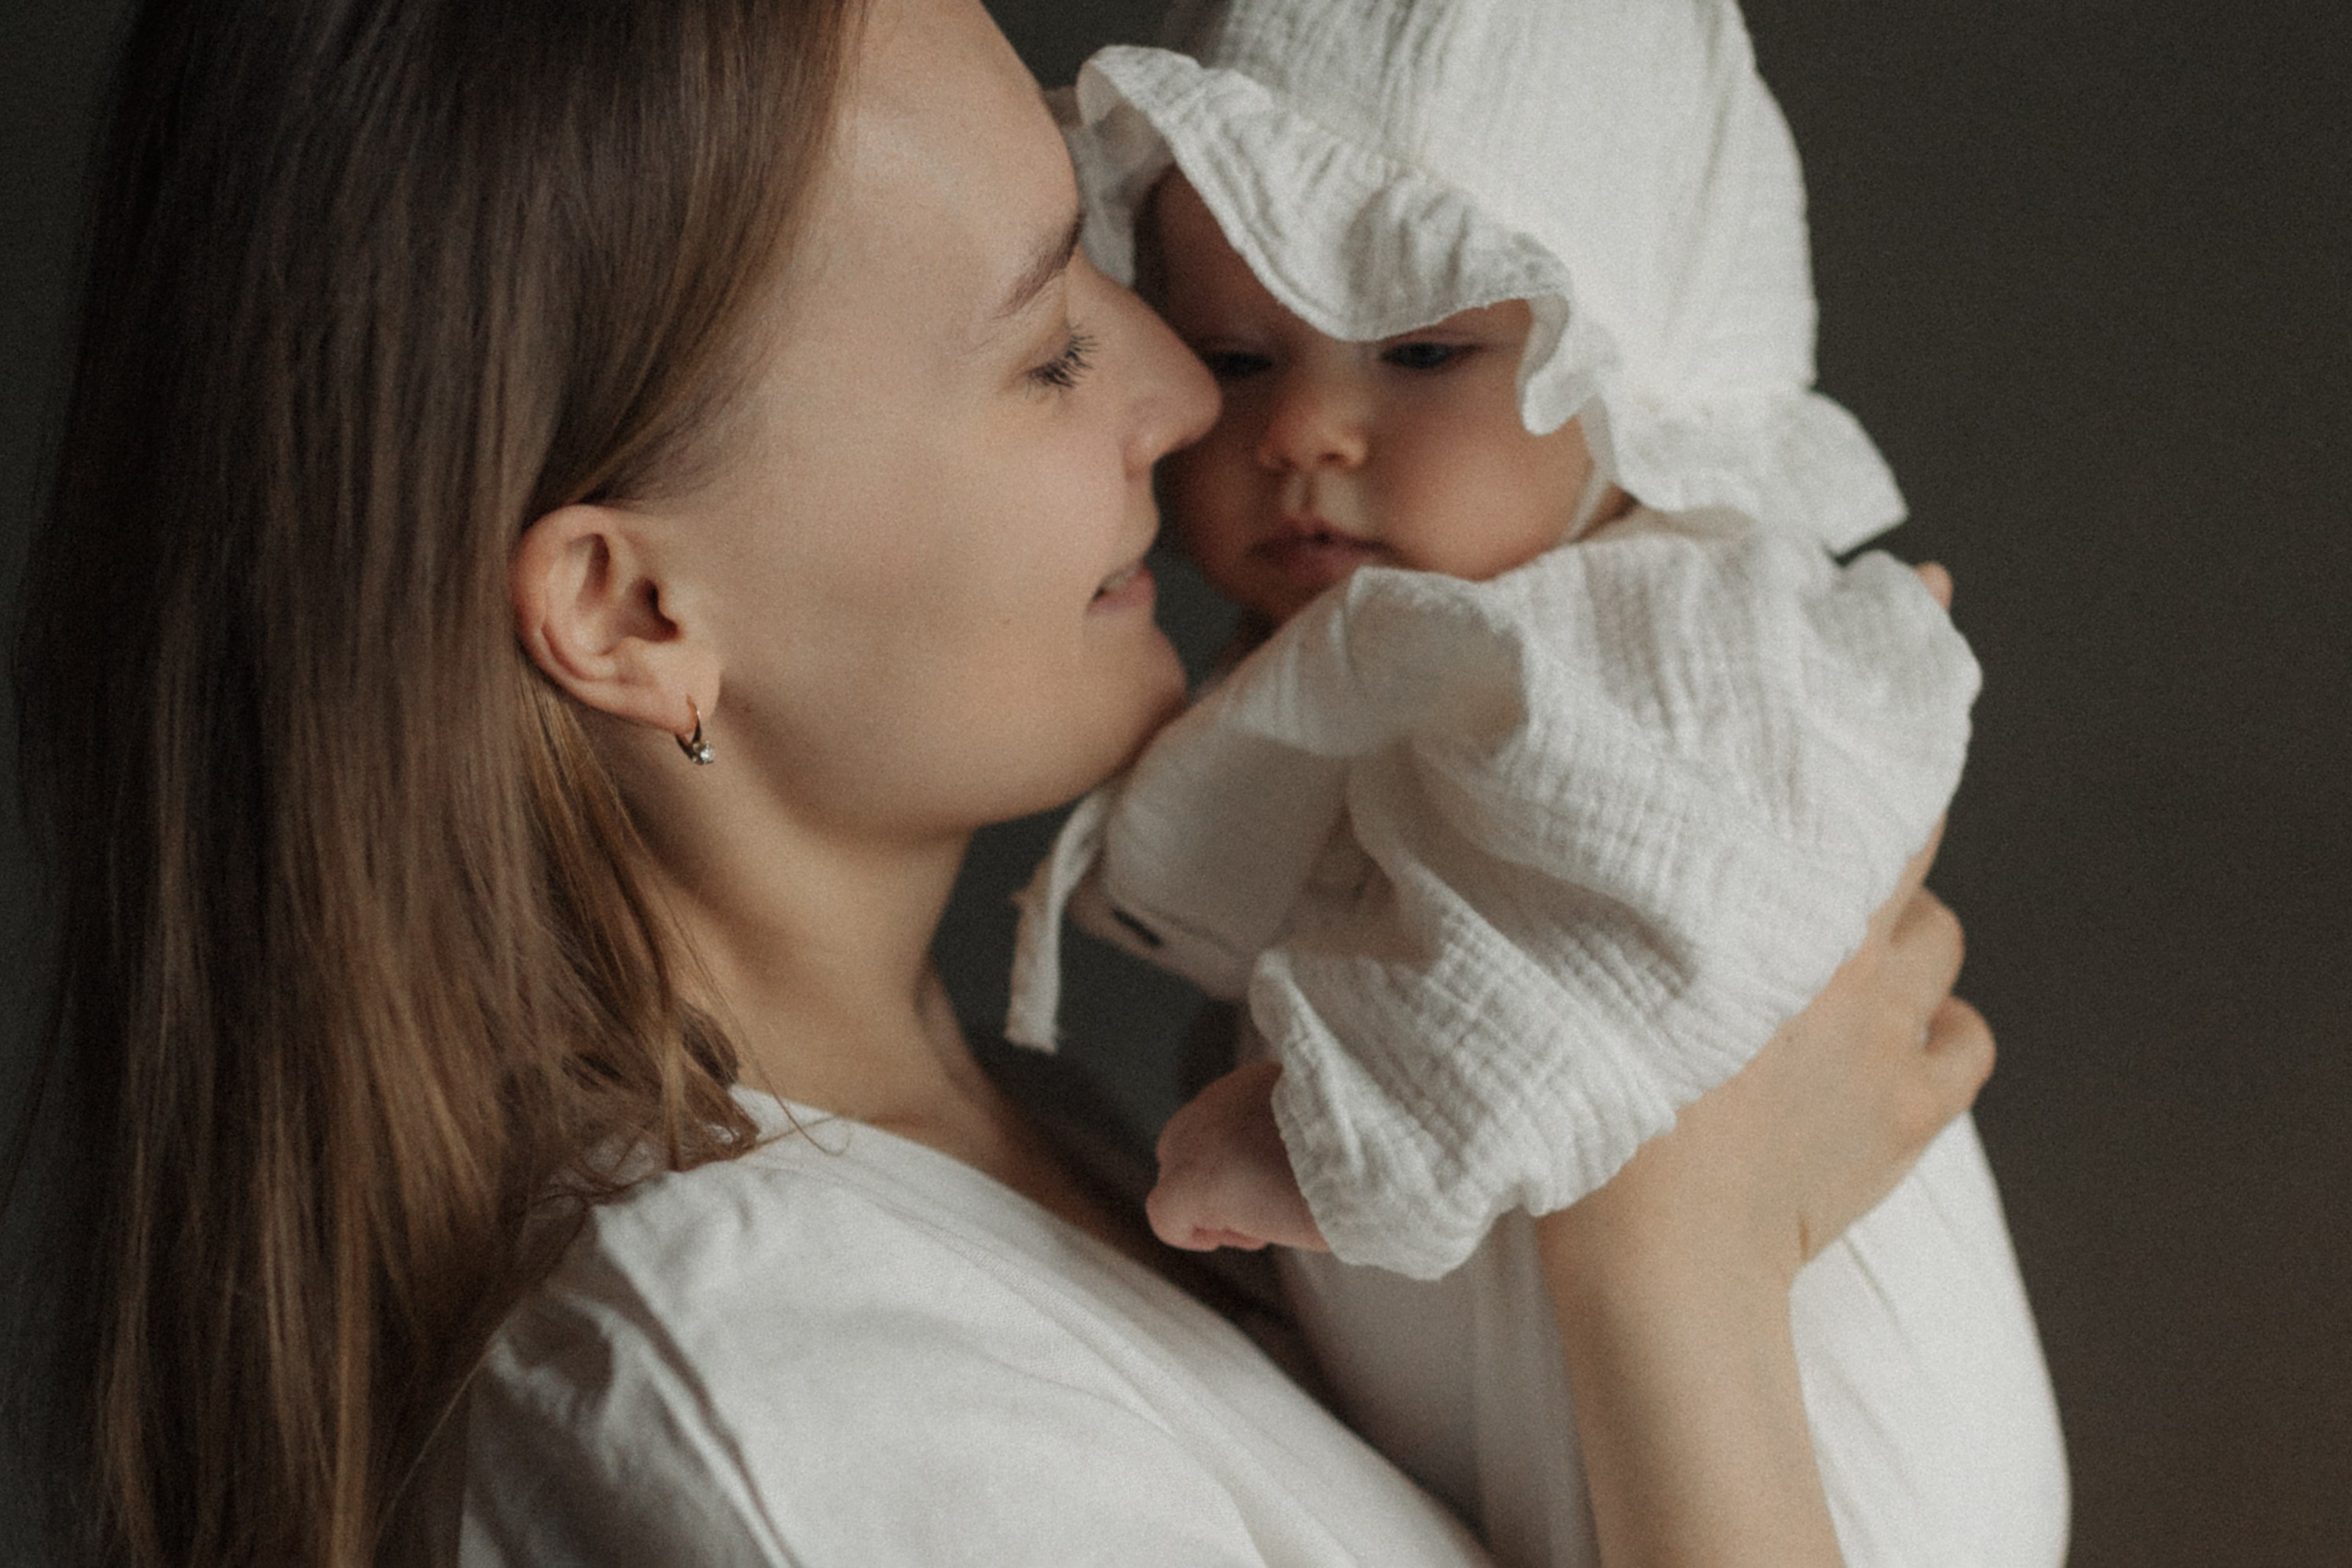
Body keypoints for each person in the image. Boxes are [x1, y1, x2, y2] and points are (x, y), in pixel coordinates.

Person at [6, 0, 1992, 1562]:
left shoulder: (1021, 1152)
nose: (1189, 393)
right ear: (632, 610)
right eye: (1047, 348)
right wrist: (1667, 1261)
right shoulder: (778, 1403)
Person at [1004, 3, 2068, 1564]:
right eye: (1234, 357)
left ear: (1646, 377)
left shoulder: (1671, 633)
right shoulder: (1384, 679)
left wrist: (1314, 1146)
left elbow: (1633, 915)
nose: (1299, 428)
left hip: (1844, 1469)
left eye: (1424, 349)